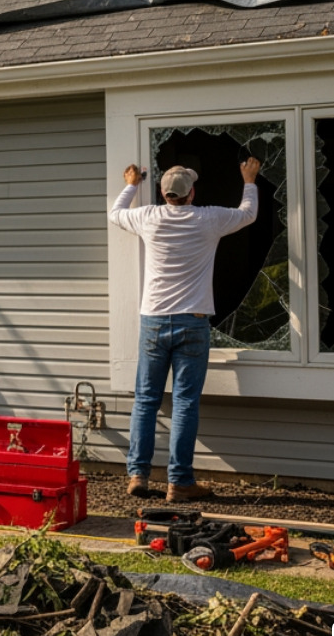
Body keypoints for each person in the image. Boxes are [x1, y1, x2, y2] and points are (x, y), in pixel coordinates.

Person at [108, 157, 261, 502]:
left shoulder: (148, 217)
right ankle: (179, 482)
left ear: (163, 195)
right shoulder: (208, 218)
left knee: (146, 400)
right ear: (191, 194)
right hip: (193, 323)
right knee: (185, 403)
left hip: (153, 322)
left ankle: (138, 476)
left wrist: (132, 184)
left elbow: (115, 213)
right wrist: (249, 179)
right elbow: (248, 213)